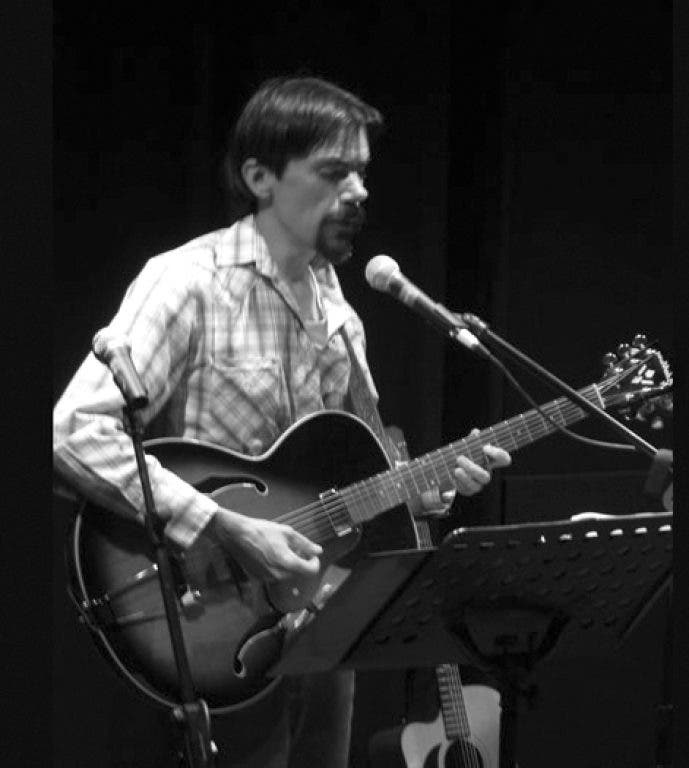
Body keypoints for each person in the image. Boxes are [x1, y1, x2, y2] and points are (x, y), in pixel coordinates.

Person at [53, 76, 511, 768]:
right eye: (333, 172)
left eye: (362, 172)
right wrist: (226, 527)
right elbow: (73, 431)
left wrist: (425, 487)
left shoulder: (340, 315)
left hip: (319, 628)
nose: (357, 191)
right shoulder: (188, 282)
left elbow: (348, 478)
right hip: (204, 618)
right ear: (259, 177)